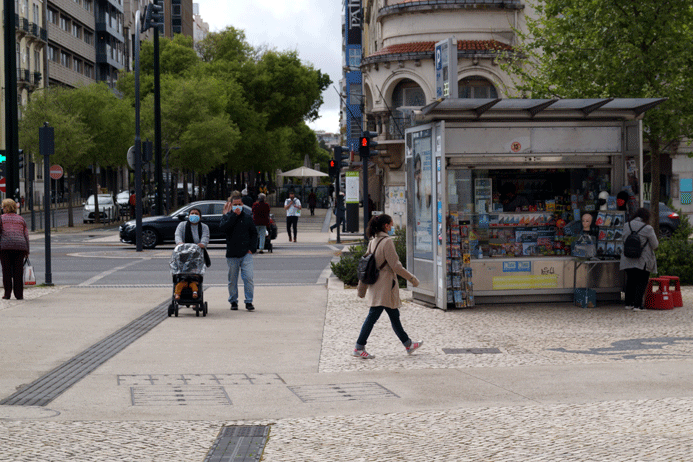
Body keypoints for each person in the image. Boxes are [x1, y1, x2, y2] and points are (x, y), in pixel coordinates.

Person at [354, 214, 422, 359]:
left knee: (394, 316)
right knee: (372, 317)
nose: (391, 228)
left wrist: (362, 288)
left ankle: (408, 344)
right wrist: (412, 279)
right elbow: (396, 266)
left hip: (377, 285)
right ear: (385, 226)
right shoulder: (387, 242)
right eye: (391, 225)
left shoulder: (373, 241)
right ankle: (359, 347)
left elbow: (365, 265)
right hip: (385, 286)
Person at [221, 191, 258, 311]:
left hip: (246, 253)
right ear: (231, 205)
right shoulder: (227, 217)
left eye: (240, 205)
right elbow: (223, 229)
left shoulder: (247, 218)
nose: (238, 207)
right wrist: (233, 216)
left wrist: (252, 249)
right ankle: (233, 301)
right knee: (232, 279)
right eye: (235, 205)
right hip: (232, 254)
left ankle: (249, 301)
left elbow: (254, 234)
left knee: (248, 277)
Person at [620, 207, 658, 311]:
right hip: (642, 260)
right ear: (646, 217)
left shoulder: (626, 225)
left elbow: (623, 240)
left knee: (631, 281)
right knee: (641, 282)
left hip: (627, 259)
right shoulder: (648, 228)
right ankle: (637, 305)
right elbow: (655, 245)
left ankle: (628, 304)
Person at [173, 208, 210, 300]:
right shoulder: (182, 225)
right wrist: (180, 243)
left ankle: (196, 295)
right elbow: (178, 235)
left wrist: (202, 244)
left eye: (196, 214)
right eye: (192, 213)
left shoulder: (204, 227)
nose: (194, 215)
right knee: (181, 275)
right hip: (183, 254)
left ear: (200, 217)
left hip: (197, 255)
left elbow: (205, 237)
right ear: (188, 216)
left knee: (196, 276)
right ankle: (178, 294)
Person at [0, 199, 29, 300]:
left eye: (3, 207)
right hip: (20, 247)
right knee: (18, 271)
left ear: (6, 208)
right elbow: (26, 235)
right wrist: (27, 251)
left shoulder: (1, 219)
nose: (2, 209)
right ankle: (19, 294)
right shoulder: (21, 219)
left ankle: (7, 294)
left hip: (5, 247)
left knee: (6, 271)